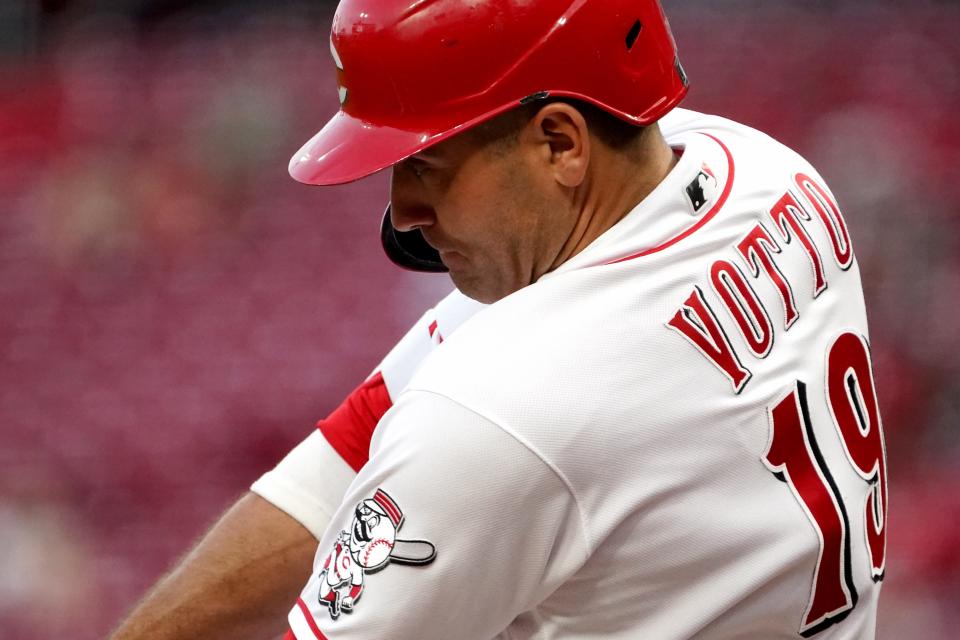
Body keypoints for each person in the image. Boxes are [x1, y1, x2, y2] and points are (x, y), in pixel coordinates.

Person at [115, 1, 888, 638]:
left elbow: (486, 420)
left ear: (561, 142)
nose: (405, 212)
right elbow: (350, 449)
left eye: (425, 163)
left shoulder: (506, 409)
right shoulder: (765, 170)